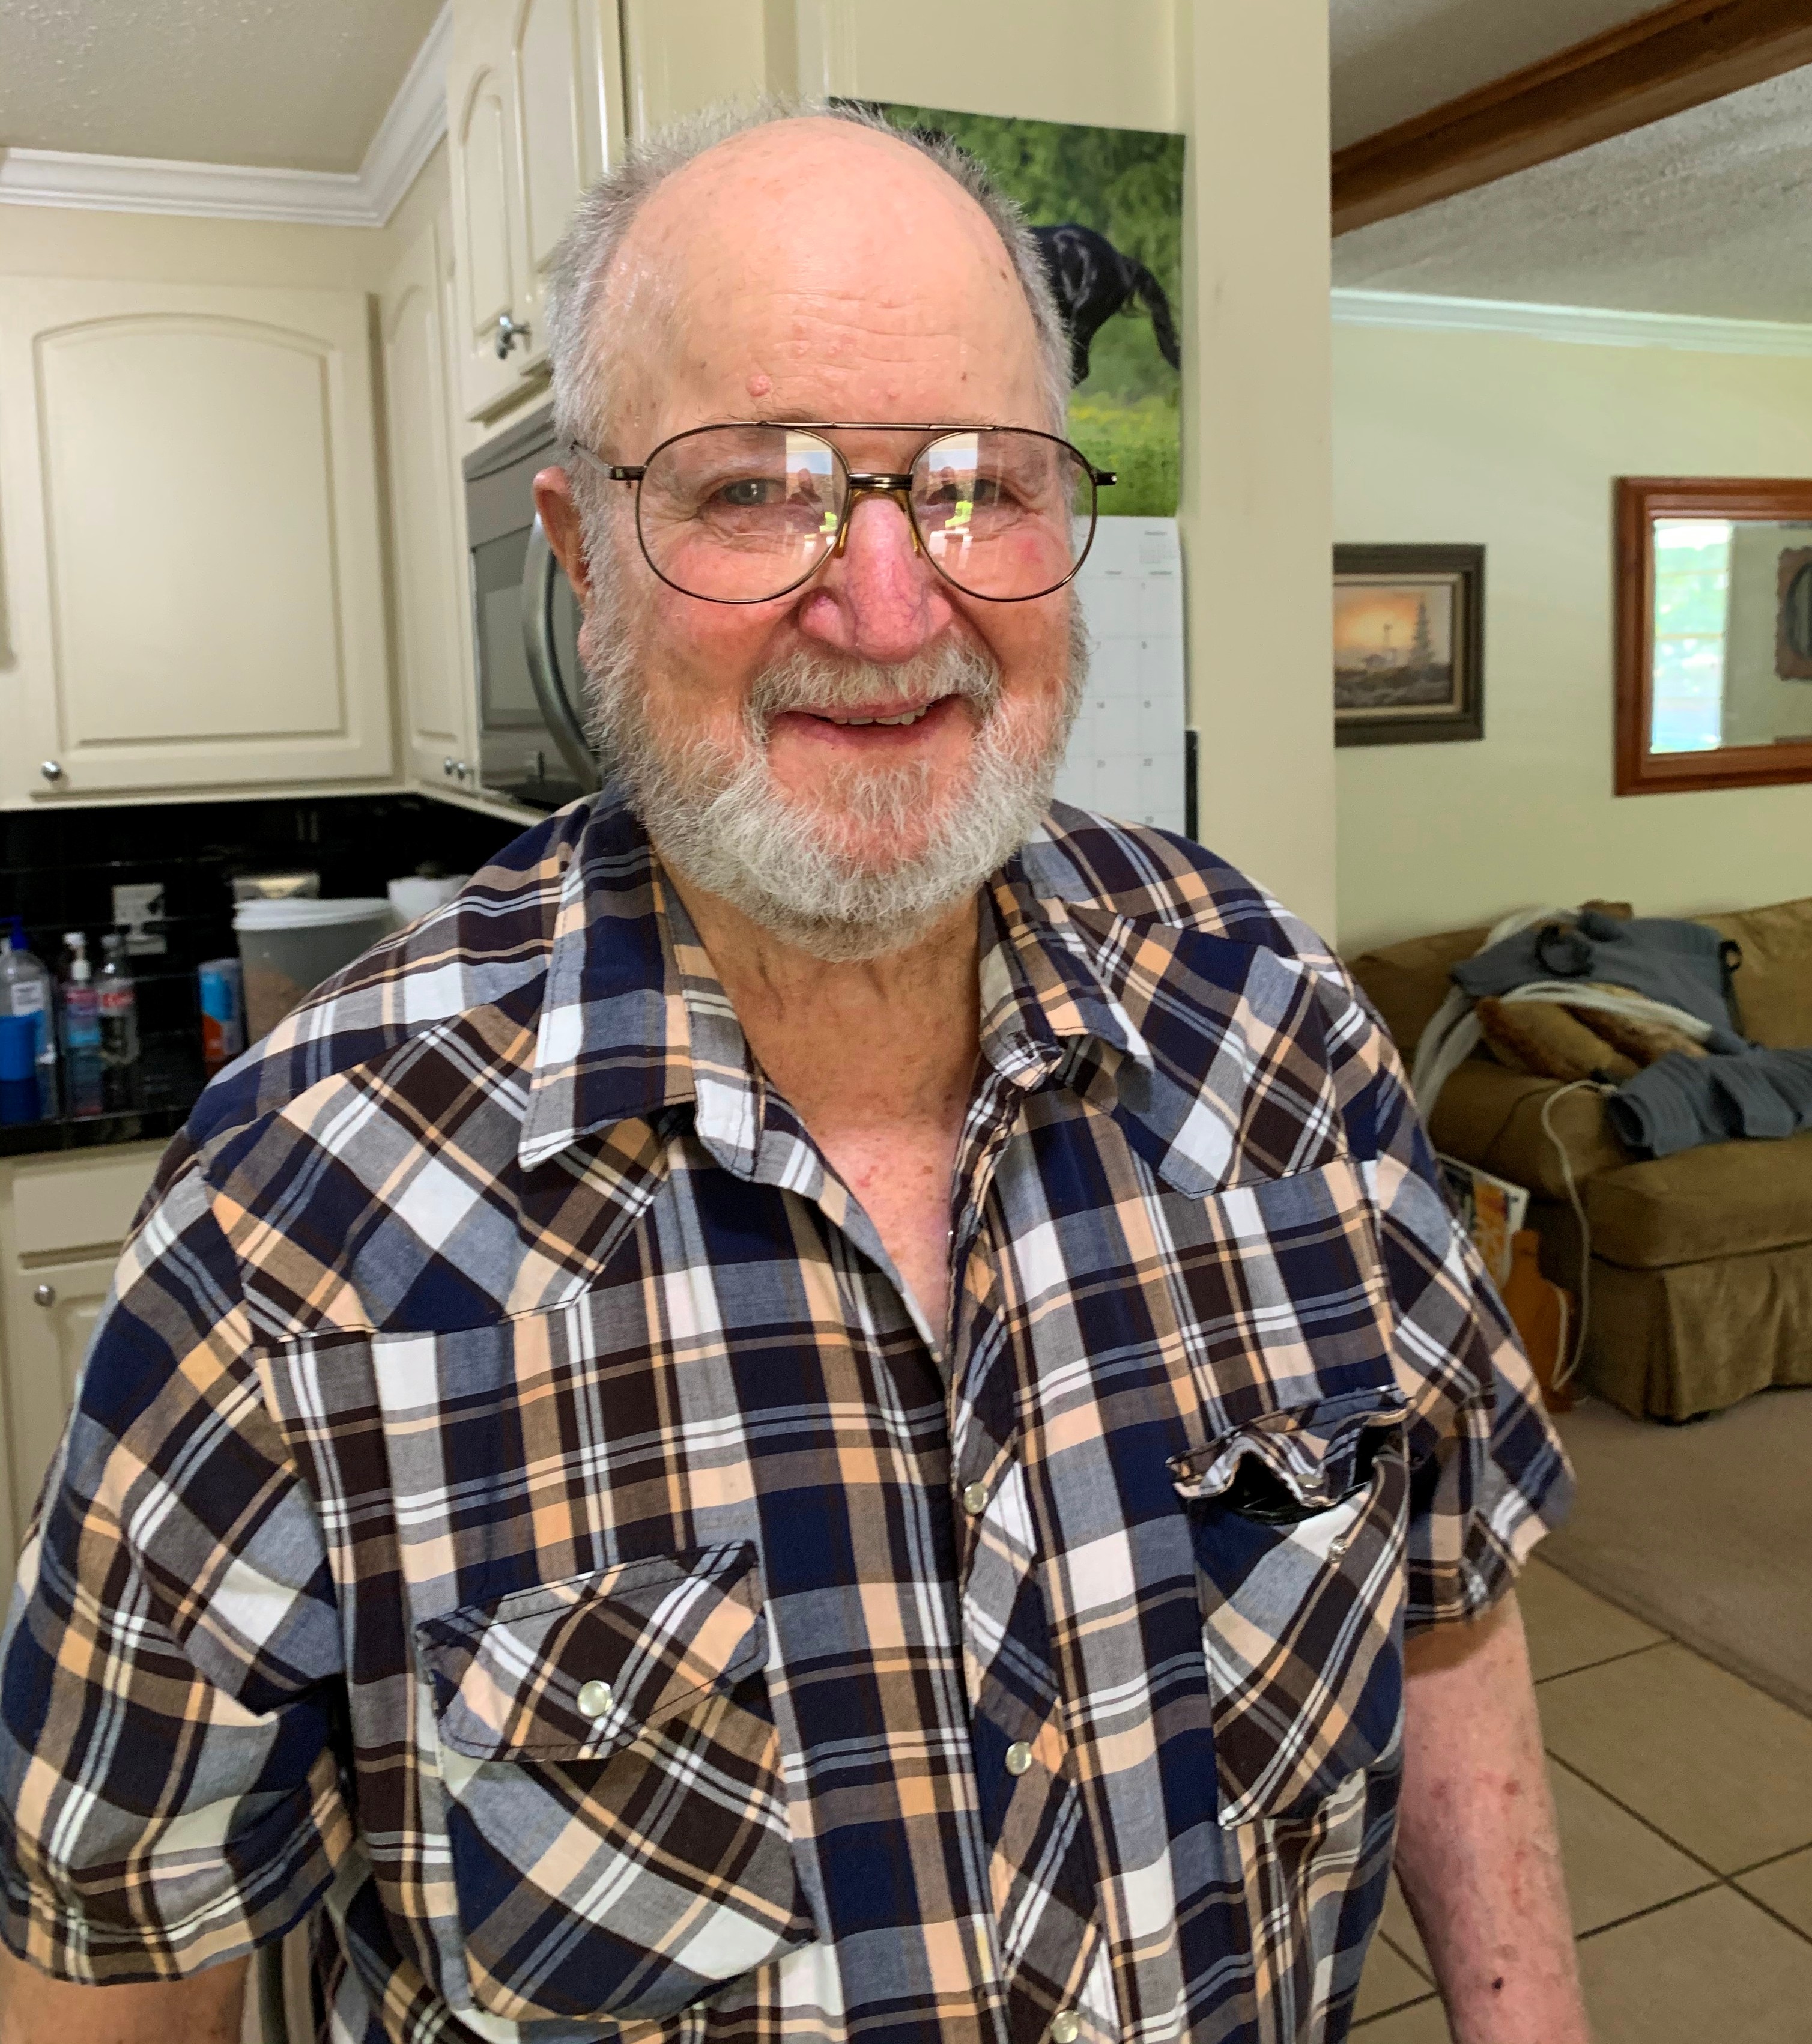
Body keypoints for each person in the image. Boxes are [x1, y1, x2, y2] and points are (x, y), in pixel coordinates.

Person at [0, 103, 1585, 2044]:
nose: (891, 607)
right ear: (581, 553)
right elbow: (118, 1966)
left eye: (979, 483)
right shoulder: (291, 1210)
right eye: (754, 490)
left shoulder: (1274, 1024)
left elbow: (1444, 1608)